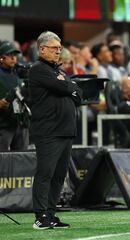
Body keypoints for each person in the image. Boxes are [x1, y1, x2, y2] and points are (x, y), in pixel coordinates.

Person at [29, 31, 82, 230]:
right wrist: (69, 86)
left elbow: (79, 93)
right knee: (45, 173)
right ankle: (40, 216)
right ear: (42, 49)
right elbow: (69, 89)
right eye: (54, 48)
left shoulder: (59, 72)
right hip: (48, 131)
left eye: (60, 48)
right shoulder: (38, 69)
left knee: (59, 175)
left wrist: (68, 85)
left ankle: (50, 214)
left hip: (66, 130)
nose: (58, 52)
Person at [0, 41, 29, 151]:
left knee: (21, 158)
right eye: (9, 55)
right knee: (2, 159)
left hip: (21, 122)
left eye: (15, 55)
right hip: (4, 124)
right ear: (1, 58)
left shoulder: (19, 72)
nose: (13, 58)